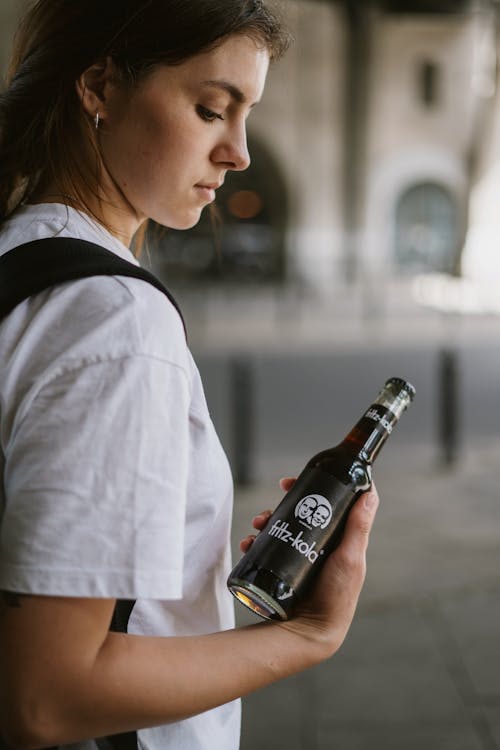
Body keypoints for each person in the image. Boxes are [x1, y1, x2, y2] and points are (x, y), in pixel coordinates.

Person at [0, 2, 380, 749]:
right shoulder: (114, 322)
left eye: (246, 116)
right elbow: (46, 696)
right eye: (212, 109)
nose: (239, 151)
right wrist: (311, 634)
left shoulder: (19, 256)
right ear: (101, 88)